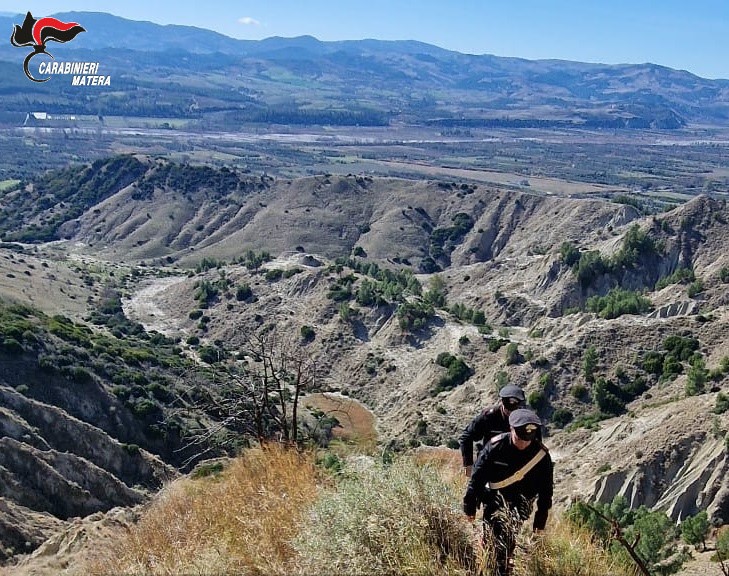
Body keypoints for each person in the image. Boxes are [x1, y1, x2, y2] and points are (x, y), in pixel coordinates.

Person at [463, 408, 553, 576]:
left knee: (509, 539)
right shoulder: (496, 446)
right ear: (511, 429)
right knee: (491, 536)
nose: (524, 443)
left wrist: (540, 521)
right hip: (496, 499)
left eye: (528, 439)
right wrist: (469, 505)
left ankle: (502, 568)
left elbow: (546, 491)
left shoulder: (541, 456)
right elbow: (477, 477)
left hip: (521, 504)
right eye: (520, 438)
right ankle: (487, 564)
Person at [459, 384, 527, 477]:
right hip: (488, 466)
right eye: (507, 410)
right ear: (502, 403)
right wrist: (468, 464)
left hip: (514, 470)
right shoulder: (489, 416)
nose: (510, 413)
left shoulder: (525, 420)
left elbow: (536, 445)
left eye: (514, 410)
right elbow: (466, 436)